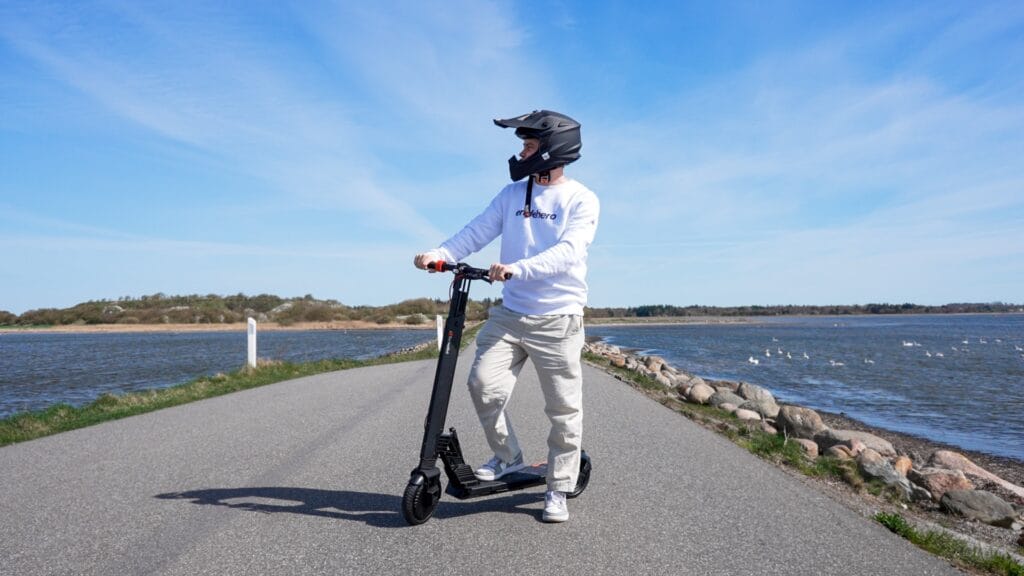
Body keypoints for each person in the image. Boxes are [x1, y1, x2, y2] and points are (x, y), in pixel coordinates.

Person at [413, 110, 599, 523]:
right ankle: (508, 456)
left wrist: (519, 268)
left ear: (552, 150)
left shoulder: (581, 199)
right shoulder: (512, 195)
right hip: (511, 313)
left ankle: (558, 487)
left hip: (558, 318)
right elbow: (476, 231)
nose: (522, 153)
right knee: (482, 385)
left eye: (529, 146)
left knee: (563, 408)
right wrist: (440, 254)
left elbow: (570, 251)